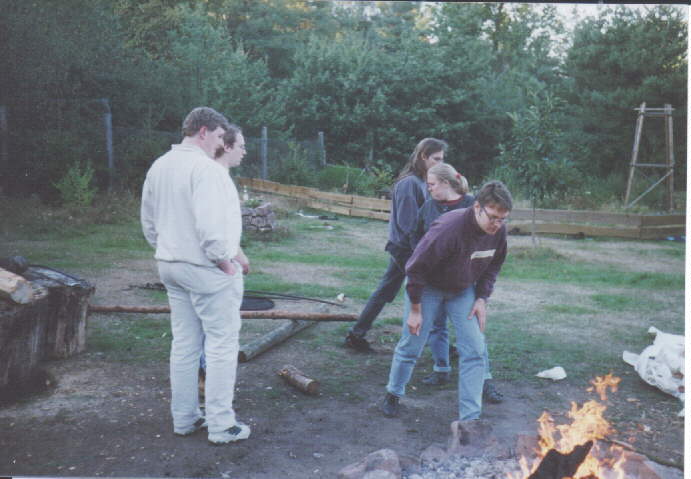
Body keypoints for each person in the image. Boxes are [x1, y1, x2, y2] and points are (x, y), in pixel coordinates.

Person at [141, 107, 250, 445]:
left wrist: (168, 248)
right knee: (221, 344)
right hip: (205, 268)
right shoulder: (206, 169)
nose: (221, 142)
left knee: (185, 344)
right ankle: (221, 425)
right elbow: (211, 227)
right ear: (203, 131)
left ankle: (185, 418)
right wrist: (224, 262)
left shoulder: (160, 166)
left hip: (170, 264)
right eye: (218, 136)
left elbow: (149, 222)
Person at [380, 180, 512, 423]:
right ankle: (393, 393)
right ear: (477, 207)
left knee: (475, 349)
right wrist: (415, 310)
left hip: (462, 290)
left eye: (502, 219)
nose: (497, 224)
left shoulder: (498, 232)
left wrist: (481, 298)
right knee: (412, 344)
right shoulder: (449, 227)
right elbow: (415, 268)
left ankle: (470, 419)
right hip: (428, 288)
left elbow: (493, 265)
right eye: (492, 217)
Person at [413, 164, 504, 405]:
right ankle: (441, 368)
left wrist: (480, 294)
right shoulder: (428, 207)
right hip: (433, 283)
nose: (429, 189)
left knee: (474, 335)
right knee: (436, 326)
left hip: (463, 284)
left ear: (446, 182)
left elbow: (488, 253)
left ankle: (485, 380)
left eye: (432, 184)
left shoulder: (473, 205)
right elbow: (417, 238)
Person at [345, 138, 447, 352]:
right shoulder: (409, 183)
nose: (440, 163)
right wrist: (422, 254)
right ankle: (439, 344)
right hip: (405, 249)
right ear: (423, 156)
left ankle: (356, 333)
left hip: (411, 247)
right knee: (429, 290)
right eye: (436, 159)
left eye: (442, 159)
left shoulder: (424, 182)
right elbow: (408, 224)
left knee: (385, 290)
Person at [198, 125, 251, 396]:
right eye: (241, 146)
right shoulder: (213, 177)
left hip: (221, 261)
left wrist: (238, 253)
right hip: (213, 266)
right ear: (227, 146)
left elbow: (226, 225)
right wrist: (227, 262)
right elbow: (211, 228)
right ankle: (208, 384)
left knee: (211, 328)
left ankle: (206, 379)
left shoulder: (221, 176)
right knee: (218, 332)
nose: (244, 152)